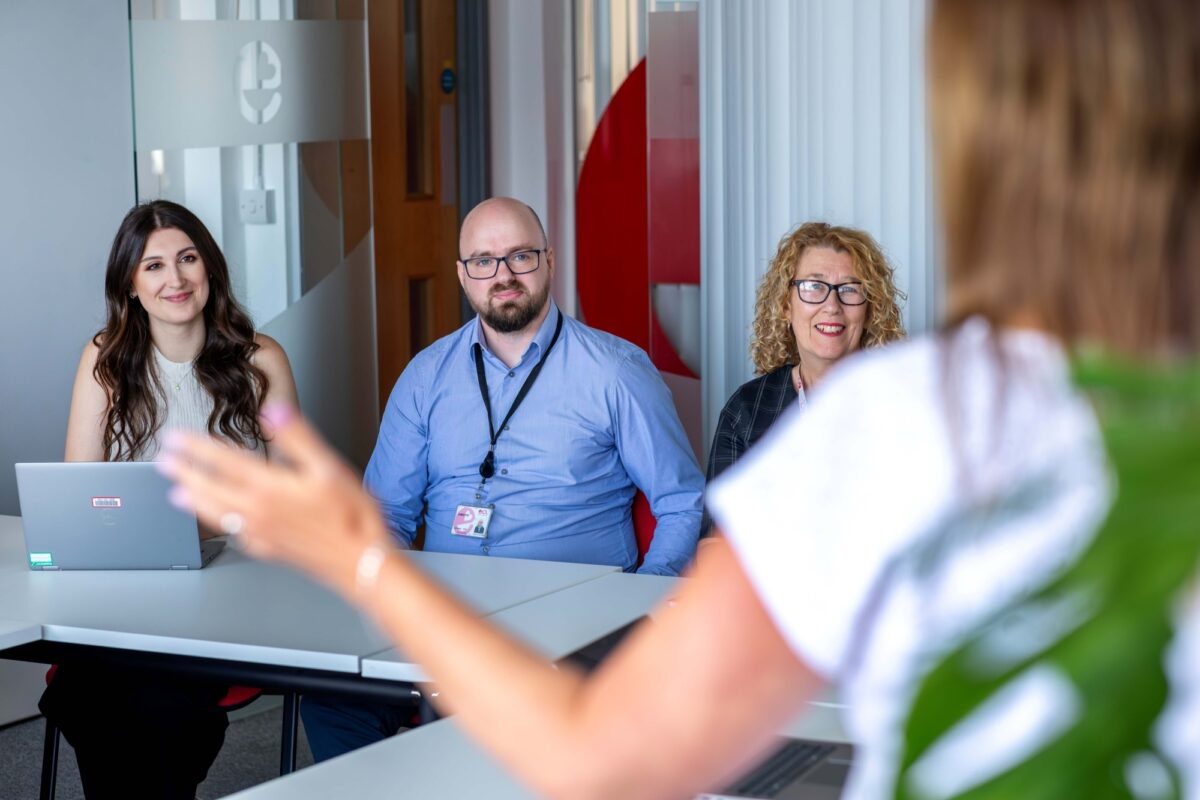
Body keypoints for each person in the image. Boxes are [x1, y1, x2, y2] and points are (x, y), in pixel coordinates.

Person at [160, 0, 1200, 797]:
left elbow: (607, 753)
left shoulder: (897, 424)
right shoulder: (435, 378)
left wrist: (358, 556)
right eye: (811, 287)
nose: (829, 306)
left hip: (579, 619)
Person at [300, 196, 704, 760]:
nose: (504, 275)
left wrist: (641, 600)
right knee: (332, 703)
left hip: (571, 622)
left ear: (550, 261)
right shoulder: (425, 377)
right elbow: (386, 515)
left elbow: (681, 500)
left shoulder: (615, 371)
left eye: (521, 256)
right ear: (463, 275)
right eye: (484, 261)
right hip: (446, 619)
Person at [41, 199, 298, 799]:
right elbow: (78, 491)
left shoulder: (262, 361)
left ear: (210, 269)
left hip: (235, 586)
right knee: (97, 694)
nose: (175, 279)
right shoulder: (103, 359)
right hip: (129, 588)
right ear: (130, 284)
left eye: (187, 259)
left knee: (152, 704)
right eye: (153, 266)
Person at [702, 222, 904, 534]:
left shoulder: (904, 406)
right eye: (814, 287)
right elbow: (716, 540)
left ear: (869, 310)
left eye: (850, 289)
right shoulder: (747, 408)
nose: (832, 306)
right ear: (785, 305)